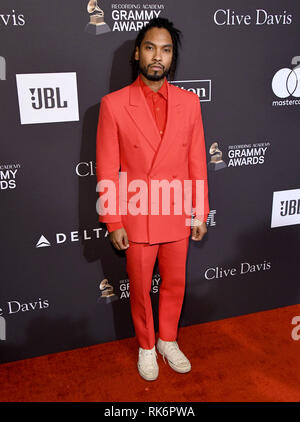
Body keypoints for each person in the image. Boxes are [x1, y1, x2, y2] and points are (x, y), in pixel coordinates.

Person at [96, 17, 210, 381]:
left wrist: (199, 211)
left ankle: (168, 340)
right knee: (142, 289)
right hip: (138, 213)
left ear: (172, 58)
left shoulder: (189, 103)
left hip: (177, 212)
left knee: (175, 283)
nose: (157, 56)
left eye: (165, 49)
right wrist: (113, 220)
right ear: (137, 53)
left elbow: (197, 162)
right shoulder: (114, 104)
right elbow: (107, 167)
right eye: (150, 47)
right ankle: (147, 345)